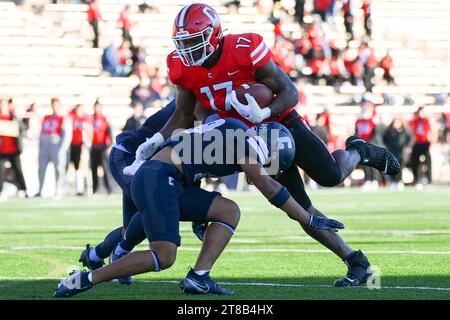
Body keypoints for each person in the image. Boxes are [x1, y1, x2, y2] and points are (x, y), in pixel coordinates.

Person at [126, 3, 400, 287]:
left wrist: (265, 113)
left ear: (214, 34)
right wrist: (157, 140)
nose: (189, 50)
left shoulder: (244, 48)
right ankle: (356, 262)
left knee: (330, 175)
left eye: (194, 41)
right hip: (250, 138)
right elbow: (183, 115)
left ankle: (358, 151)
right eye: (184, 43)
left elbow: (290, 92)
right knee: (298, 207)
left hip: (281, 122)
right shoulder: (183, 66)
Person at [54, 118, 344, 298]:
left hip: (168, 178)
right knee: (164, 255)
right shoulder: (246, 142)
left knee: (228, 210)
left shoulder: (232, 127)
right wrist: (308, 218)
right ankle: (86, 279)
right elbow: (268, 187)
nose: (269, 168)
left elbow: (195, 151)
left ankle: (199, 277)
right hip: (159, 177)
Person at [36, 98, 72, 198]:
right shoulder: (46, 117)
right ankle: (40, 190)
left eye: (56, 105)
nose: (54, 107)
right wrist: (40, 147)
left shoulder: (63, 118)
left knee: (59, 169)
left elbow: (67, 135)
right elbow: (42, 132)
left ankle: (59, 190)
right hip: (45, 145)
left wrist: (62, 149)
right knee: (41, 168)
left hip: (56, 145)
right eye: (52, 105)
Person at [0, 99, 27, 199]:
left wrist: (16, 123)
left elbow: (23, 127)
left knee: (18, 170)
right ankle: (0, 191)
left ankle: (23, 189)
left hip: (14, 149)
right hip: (2, 150)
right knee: (0, 171)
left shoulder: (13, 117)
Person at [383, 118, 413, 190]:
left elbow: (411, 139)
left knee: (400, 167)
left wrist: (408, 147)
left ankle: (399, 181)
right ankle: (393, 181)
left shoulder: (405, 131)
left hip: (401, 153)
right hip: (392, 152)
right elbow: (384, 140)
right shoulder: (389, 132)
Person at [90, 100, 112, 194]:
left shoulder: (104, 119)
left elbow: (109, 133)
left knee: (105, 169)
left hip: (102, 147)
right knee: (93, 169)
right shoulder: (90, 119)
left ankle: (108, 189)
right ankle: (94, 189)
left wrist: (108, 145)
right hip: (93, 147)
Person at [68, 104, 89, 196]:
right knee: (66, 166)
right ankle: (64, 188)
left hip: (80, 145)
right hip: (70, 144)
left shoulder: (85, 119)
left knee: (79, 167)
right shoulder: (71, 117)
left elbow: (88, 131)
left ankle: (79, 189)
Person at [409, 107, 432, 185]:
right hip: (416, 143)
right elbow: (410, 128)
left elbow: (430, 132)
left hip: (425, 143)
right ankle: (416, 179)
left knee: (428, 161)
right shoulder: (414, 121)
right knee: (415, 162)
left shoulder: (427, 121)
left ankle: (428, 179)